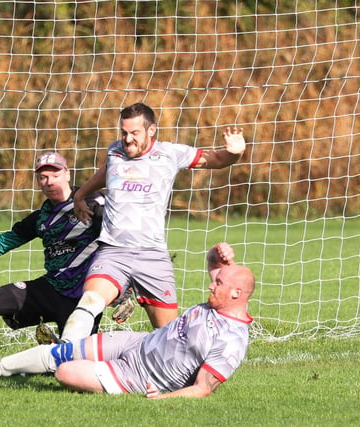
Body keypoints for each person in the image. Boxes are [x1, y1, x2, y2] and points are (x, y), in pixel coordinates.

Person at [0, 243, 255, 399]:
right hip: (136, 343)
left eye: (218, 284)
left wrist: (161, 399)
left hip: (139, 377)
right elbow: (216, 265)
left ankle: (71, 369)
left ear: (237, 293)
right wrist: (217, 252)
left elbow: (203, 389)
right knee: (63, 352)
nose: (210, 285)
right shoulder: (220, 301)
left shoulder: (232, 340)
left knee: (65, 372)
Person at [60, 102, 247, 342]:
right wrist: (80, 193)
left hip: (153, 256)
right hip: (113, 251)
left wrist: (235, 153)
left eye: (134, 133)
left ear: (151, 130)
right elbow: (107, 171)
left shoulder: (170, 153)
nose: (127, 140)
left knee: (169, 339)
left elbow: (218, 160)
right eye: (124, 133)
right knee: (90, 301)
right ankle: (61, 355)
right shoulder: (115, 151)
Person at [0, 152, 106, 355]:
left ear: (67, 174)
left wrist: (125, 289)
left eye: (55, 175)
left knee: (73, 364)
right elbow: (5, 242)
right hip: (51, 289)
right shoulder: (41, 218)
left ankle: (59, 349)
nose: (49, 182)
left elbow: (120, 242)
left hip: (84, 297)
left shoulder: (92, 203)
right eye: (43, 177)